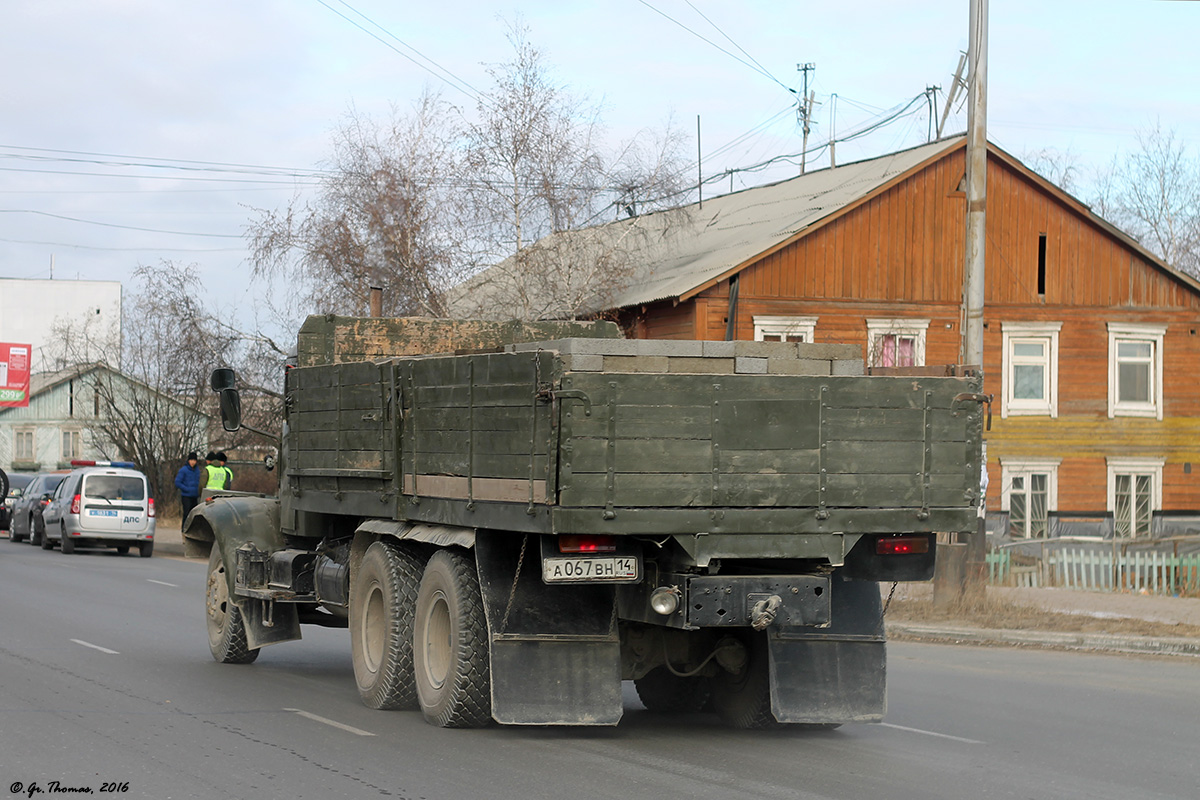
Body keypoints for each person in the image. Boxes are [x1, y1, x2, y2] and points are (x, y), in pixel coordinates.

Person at [173, 452, 201, 530]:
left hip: (195, 496)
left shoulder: (197, 471)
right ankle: (184, 530)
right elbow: (177, 482)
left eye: (194, 460)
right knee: (186, 514)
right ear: (188, 460)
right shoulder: (183, 470)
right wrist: (186, 489)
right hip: (186, 496)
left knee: (194, 515)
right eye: (191, 460)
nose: (193, 462)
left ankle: (192, 531)